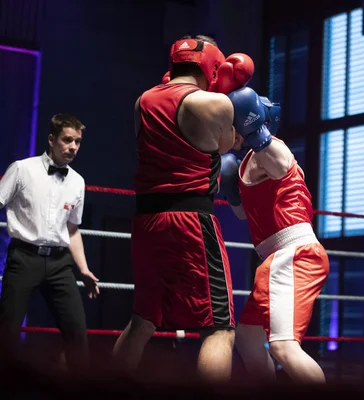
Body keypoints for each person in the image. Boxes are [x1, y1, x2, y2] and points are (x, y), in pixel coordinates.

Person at [111, 35, 254, 384]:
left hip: (146, 221)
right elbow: (224, 147)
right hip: (190, 221)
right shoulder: (214, 105)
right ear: (214, 66)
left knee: (142, 320)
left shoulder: (142, 101)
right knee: (219, 329)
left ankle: (105, 390)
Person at [220, 87, 330, 384]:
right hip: (276, 259)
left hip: (295, 254)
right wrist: (231, 191)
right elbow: (244, 214)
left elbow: (281, 163)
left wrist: (256, 131)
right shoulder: (244, 163)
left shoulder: (273, 150)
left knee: (283, 346)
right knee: (247, 337)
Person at [0, 113, 99, 371]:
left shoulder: (77, 181)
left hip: (59, 264)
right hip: (23, 258)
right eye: (67, 140)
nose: (73, 147)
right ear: (52, 139)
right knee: (7, 333)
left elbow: (73, 230)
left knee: (78, 334)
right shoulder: (23, 169)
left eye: (77, 141)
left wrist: (84, 269)